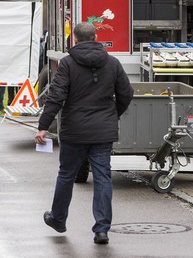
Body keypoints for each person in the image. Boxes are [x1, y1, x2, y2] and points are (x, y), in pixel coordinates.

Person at [35, 22, 133, 244]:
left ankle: (58, 219)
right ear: (96, 37)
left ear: (75, 40)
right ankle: (102, 229)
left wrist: (43, 125)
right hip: (103, 132)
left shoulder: (68, 64)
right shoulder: (113, 63)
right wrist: (112, 114)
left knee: (66, 174)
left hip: (74, 131)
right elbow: (127, 93)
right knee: (102, 177)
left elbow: (56, 96)